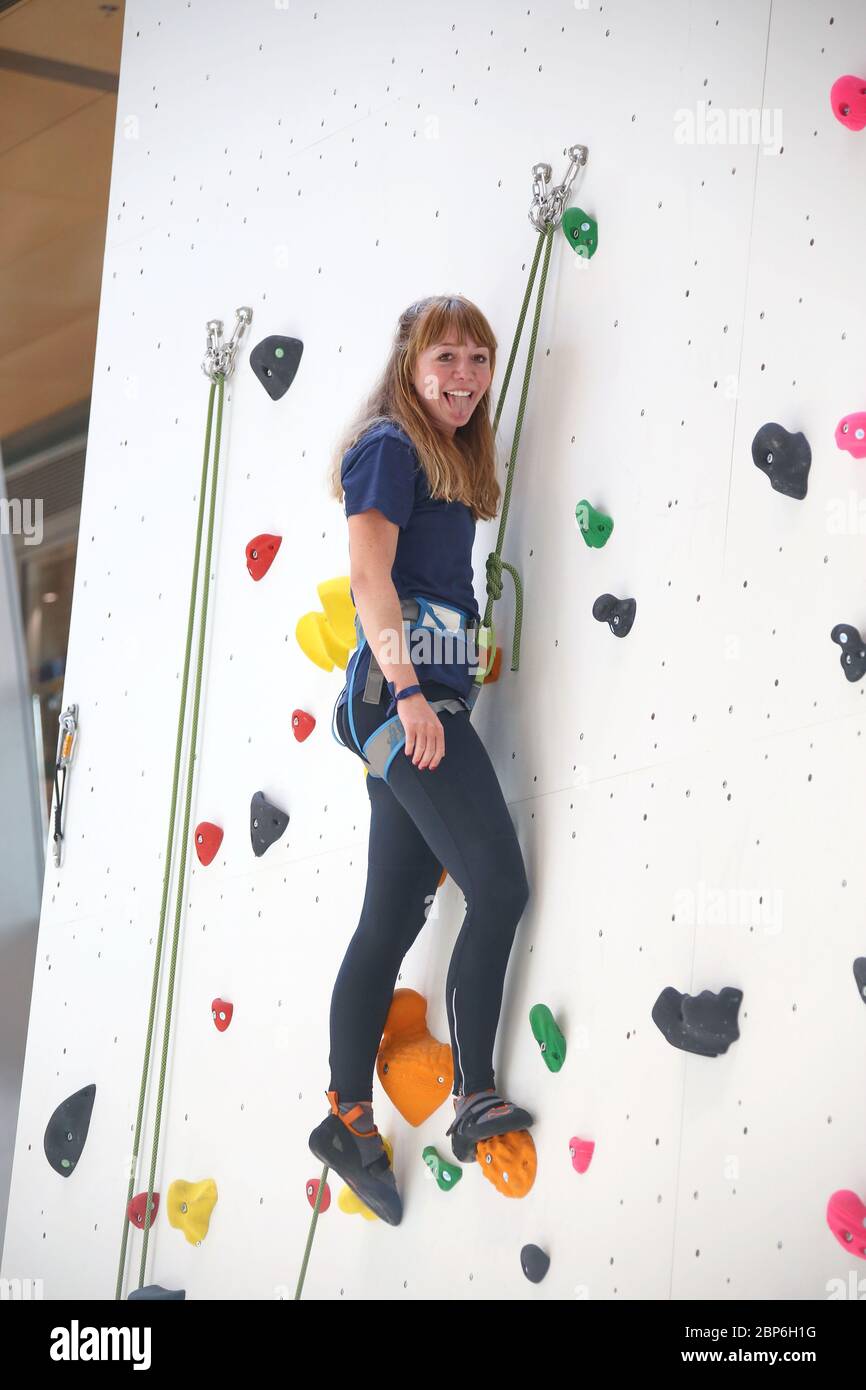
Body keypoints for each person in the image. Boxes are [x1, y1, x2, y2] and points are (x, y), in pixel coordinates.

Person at [307, 295, 532, 1225]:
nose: (466, 376)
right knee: (500, 888)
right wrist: (408, 694)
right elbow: (368, 580)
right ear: (410, 360)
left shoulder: (440, 457)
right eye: (448, 355)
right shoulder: (389, 448)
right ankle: (477, 1096)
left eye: (480, 359)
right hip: (405, 703)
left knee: (392, 915)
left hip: (420, 699)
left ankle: (347, 1116)